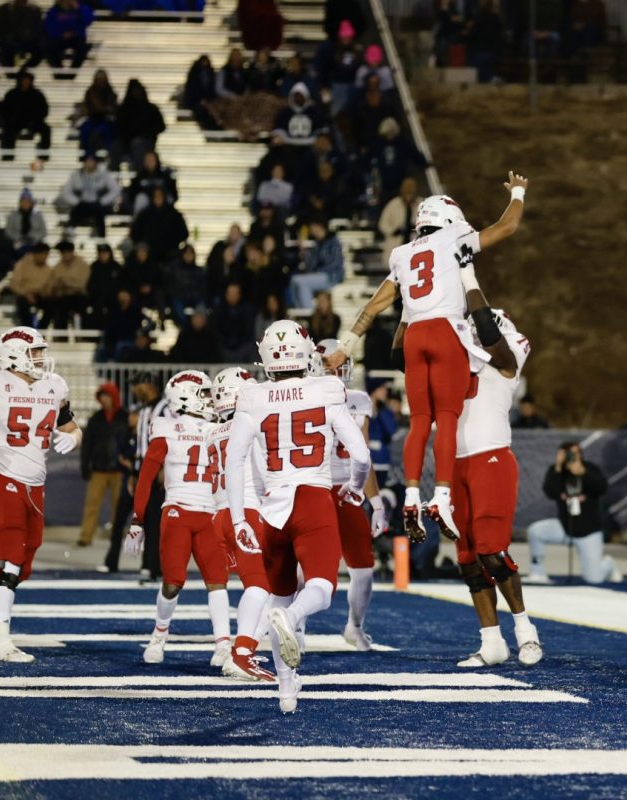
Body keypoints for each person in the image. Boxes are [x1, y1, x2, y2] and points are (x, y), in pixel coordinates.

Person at [324, 173, 528, 541]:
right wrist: (518, 191)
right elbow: (508, 225)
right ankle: (442, 497)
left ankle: (412, 496)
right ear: (450, 220)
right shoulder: (455, 237)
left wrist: (345, 347)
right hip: (446, 331)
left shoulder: (402, 254)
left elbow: (374, 307)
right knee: (446, 419)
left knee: (420, 420)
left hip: (415, 334)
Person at [224, 319, 371, 713]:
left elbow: (233, 460)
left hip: (271, 509)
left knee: (279, 594)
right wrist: (355, 488)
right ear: (306, 353)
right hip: (312, 498)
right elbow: (360, 454)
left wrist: (239, 520)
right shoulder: (326, 388)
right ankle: (292, 618)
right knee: (320, 588)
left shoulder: (252, 397)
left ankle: (286, 691)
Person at [444, 281, 542, 667]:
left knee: (492, 552)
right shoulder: (459, 360)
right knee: (467, 558)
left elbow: (495, 346)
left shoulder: (505, 356)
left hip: (491, 459)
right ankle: (492, 642)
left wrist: (468, 283)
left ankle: (525, 632)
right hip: (457, 463)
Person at [0, 327, 81, 662]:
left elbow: (68, 424)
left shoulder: (54, 386)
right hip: (1, 477)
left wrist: (76, 437)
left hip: (35, 485)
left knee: (21, 567)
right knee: (8, 560)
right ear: (13, 353)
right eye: (34, 351)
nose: (40, 357)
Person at [124, 370, 230, 668]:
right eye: (205, 394)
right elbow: (146, 476)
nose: (211, 399)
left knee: (218, 580)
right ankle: (159, 635)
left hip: (210, 513)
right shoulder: (167, 427)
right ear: (186, 396)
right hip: (178, 511)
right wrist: (138, 519)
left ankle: (223, 644)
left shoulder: (220, 427)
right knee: (173, 581)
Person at [310, 340, 388, 651]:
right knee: (306, 569)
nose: (338, 369)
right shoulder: (304, 395)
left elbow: (363, 456)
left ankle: (354, 626)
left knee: (364, 569)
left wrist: (377, 502)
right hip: (313, 487)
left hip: (348, 490)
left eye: (341, 362)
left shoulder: (358, 400)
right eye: (331, 363)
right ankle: (294, 625)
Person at [205, 367, 275, 681]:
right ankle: (241, 653)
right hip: (246, 511)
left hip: (219, 515)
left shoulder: (211, 431)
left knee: (262, 584)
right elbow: (266, 467)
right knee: (261, 584)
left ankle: (244, 645)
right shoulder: (250, 423)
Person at [527, 441, 620, 585]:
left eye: (576, 453)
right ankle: (537, 572)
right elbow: (550, 491)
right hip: (566, 527)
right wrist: (558, 467)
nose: (572, 457)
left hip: (588, 532)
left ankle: (608, 564)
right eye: (568, 453)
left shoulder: (590, 468)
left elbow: (602, 488)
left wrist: (584, 473)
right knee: (536, 531)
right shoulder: (557, 471)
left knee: (594, 579)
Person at [77, 383, 128, 548]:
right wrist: (85, 465)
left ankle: (117, 536)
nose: (104, 399)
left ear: (114, 397)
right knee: (91, 504)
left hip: (119, 470)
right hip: (98, 469)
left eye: (107, 396)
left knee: (118, 506)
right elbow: (87, 445)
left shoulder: (124, 417)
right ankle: (85, 536)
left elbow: (130, 442)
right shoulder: (96, 418)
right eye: (102, 396)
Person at [129, 371, 169, 582]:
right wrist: (134, 472)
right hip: (144, 470)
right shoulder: (144, 410)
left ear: (148, 384)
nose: (134, 389)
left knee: (157, 521)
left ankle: (157, 567)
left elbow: (170, 439)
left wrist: (165, 467)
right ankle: (149, 565)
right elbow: (140, 444)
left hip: (159, 470)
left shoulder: (165, 408)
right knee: (146, 520)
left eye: (137, 385)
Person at [58, 153, 120, 237]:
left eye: (92, 161)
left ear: (96, 163)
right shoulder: (76, 175)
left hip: (98, 204)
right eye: (88, 161)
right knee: (76, 211)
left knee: (99, 213)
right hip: (82, 203)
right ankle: (70, 230)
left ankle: (102, 236)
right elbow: (65, 192)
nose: (89, 164)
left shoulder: (104, 174)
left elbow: (115, 189)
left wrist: (103, 201)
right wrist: (76, 202)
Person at [290, 219, 344, 310]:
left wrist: (318, 272)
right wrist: (303, 252)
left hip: (331, 276)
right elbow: (310, 266)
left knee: (302, 282)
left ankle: (309, 312)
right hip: (318, 275)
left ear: (319, 226)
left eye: (312, 227)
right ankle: (302, 310)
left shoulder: (334, 241)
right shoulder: (317, 244)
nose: (311, 230)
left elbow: (335, 263)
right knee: (294, 280)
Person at [114, 79, 165, 169]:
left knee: (137, 145)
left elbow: (161, 126)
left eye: (138, 90)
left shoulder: (151, 109)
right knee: (115, 146)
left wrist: (146, 133)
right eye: (134, 90)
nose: (136, 93)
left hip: (146, 142)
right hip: (126, 143)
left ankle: (141, 175)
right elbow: (118, 128)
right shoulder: (123, 110)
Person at [130, 188, 189, 263]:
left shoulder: (174, 214)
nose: (158, 199)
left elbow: (184, 233)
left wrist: (173, 242)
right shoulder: (144, 215)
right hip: (149, 255)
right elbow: (135, 233)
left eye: (160, 196)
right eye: (155, 196)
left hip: (170, 253)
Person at [0, 70, 49, 157]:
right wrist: (11, 119)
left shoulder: (37, 94)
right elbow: (4, 110)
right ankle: (7, 156)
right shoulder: (11, 94)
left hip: (34, 122)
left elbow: (44, 109)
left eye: (28, 80)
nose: (26, 82)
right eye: (24, 80)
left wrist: (36, 120)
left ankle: (43, 156)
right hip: (15, 122)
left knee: (46, 129)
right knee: (7, 130)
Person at [46, 240, 89, 329]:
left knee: (78, 303)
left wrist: (66, 283)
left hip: (79, 296)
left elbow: (82, 284)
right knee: (57, 306)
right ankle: (61, 336)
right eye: (62, 252)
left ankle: (81, 333)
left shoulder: (82, 264)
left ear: (71, 252)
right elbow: (53, 283)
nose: (63, 255)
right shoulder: (58, 266)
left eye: (65, 252)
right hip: (63, 297)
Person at [376, 176, 422, 258]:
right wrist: (393, 231)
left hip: (416, 243)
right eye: (407, 193)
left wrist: (417, 228)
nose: (409, 197)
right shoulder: (393, 205)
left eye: (411, 193)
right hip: (396, 243)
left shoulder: (423, 205)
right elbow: (383, 224)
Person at [8, 241, 51, 326]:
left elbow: (49, 286)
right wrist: (26, 294)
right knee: (22, 305)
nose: (45, 257)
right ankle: (27, 330)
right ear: (36, 254)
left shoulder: (48, 269)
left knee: (51, 305)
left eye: (46, 255)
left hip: (40, 295)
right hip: (23, 294)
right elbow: (14, 284)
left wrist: (45, 292)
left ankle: (42, 331)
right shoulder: (22, 264)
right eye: (43, 254)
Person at [212, 283, 257, 362]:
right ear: (226, 294)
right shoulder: (219, 309)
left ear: (239, 295)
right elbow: (216, 330)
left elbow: (249, 330)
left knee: (251, 345)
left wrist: (237, 342)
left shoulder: (247, 309)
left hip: (242, 346)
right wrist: (227, 341)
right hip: (223, 345)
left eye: (235, 293)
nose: (233, 296)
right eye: (230, 293)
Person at [77, 69, 118, 154]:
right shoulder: (90, 92)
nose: (100, 81)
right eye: (99, 79)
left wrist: (102, 109)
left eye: (102, 79)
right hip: (92, 120)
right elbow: (86, 108)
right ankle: (86, 157)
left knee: (105, 130)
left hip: (106, 121)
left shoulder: (111, 93)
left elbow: (111, 109)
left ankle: (109, 155)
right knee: (85, 129)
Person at [163, 244, 206, 323]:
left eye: (191, 253)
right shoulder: (174, 269)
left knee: (202, 307)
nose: (189, 256)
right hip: (179, 297)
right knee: (177, 308)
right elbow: (170, 286)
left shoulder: (199, 271)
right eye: (186, 253)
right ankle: (186, 329)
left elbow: (202, 288)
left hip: (195, 298)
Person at [43, 0, 92, 69]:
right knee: (49, 49)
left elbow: (88, 21)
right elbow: (48, 28)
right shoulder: (54, 11)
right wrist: (61, 34)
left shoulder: (81, 7)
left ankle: (72, 73)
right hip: (59, 38)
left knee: (83, 50)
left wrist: (78, 8)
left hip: (77, 38)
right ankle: (59, 72)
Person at [0, 0, 41, 67]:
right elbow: (0, 27)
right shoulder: (5, 8)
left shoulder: (34, 9)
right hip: (9, 41)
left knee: (40, 52)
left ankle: (23, 72)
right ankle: (12, 75)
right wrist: (7, 37)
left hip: (29, 41)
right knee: (5, 53)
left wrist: (29, 37)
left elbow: (38, 28)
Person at [4, 188, 46, 255]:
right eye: (23, 201)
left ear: (31, 203)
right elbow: (8, 231)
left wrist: (33, 238)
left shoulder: (38, 215)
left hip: (34, 243)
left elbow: (43, 232)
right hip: (17, 244)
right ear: (20, 203)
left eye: (28, 201)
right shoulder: (13, 215)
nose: (25, 203)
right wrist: (19, 238)